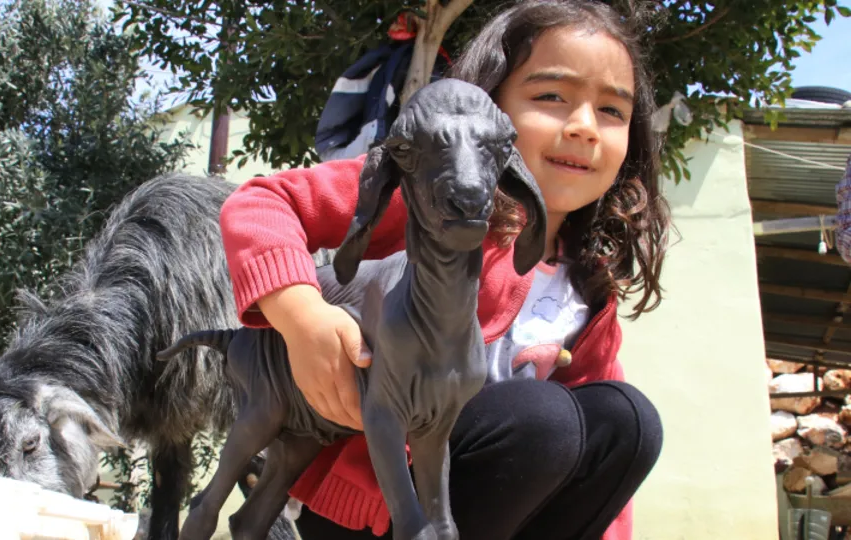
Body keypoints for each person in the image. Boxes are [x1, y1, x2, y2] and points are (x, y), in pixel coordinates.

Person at [218, 1, 669, 538]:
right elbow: (263, 203)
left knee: (627, 421)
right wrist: (301, 317)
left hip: (492, 496)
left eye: (612, 111)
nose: (584, 127)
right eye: (551, 96)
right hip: (382, 507)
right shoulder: (430, 198)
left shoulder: (588, 287)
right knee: (544, 417)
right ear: (487, 110)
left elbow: (606, 492)